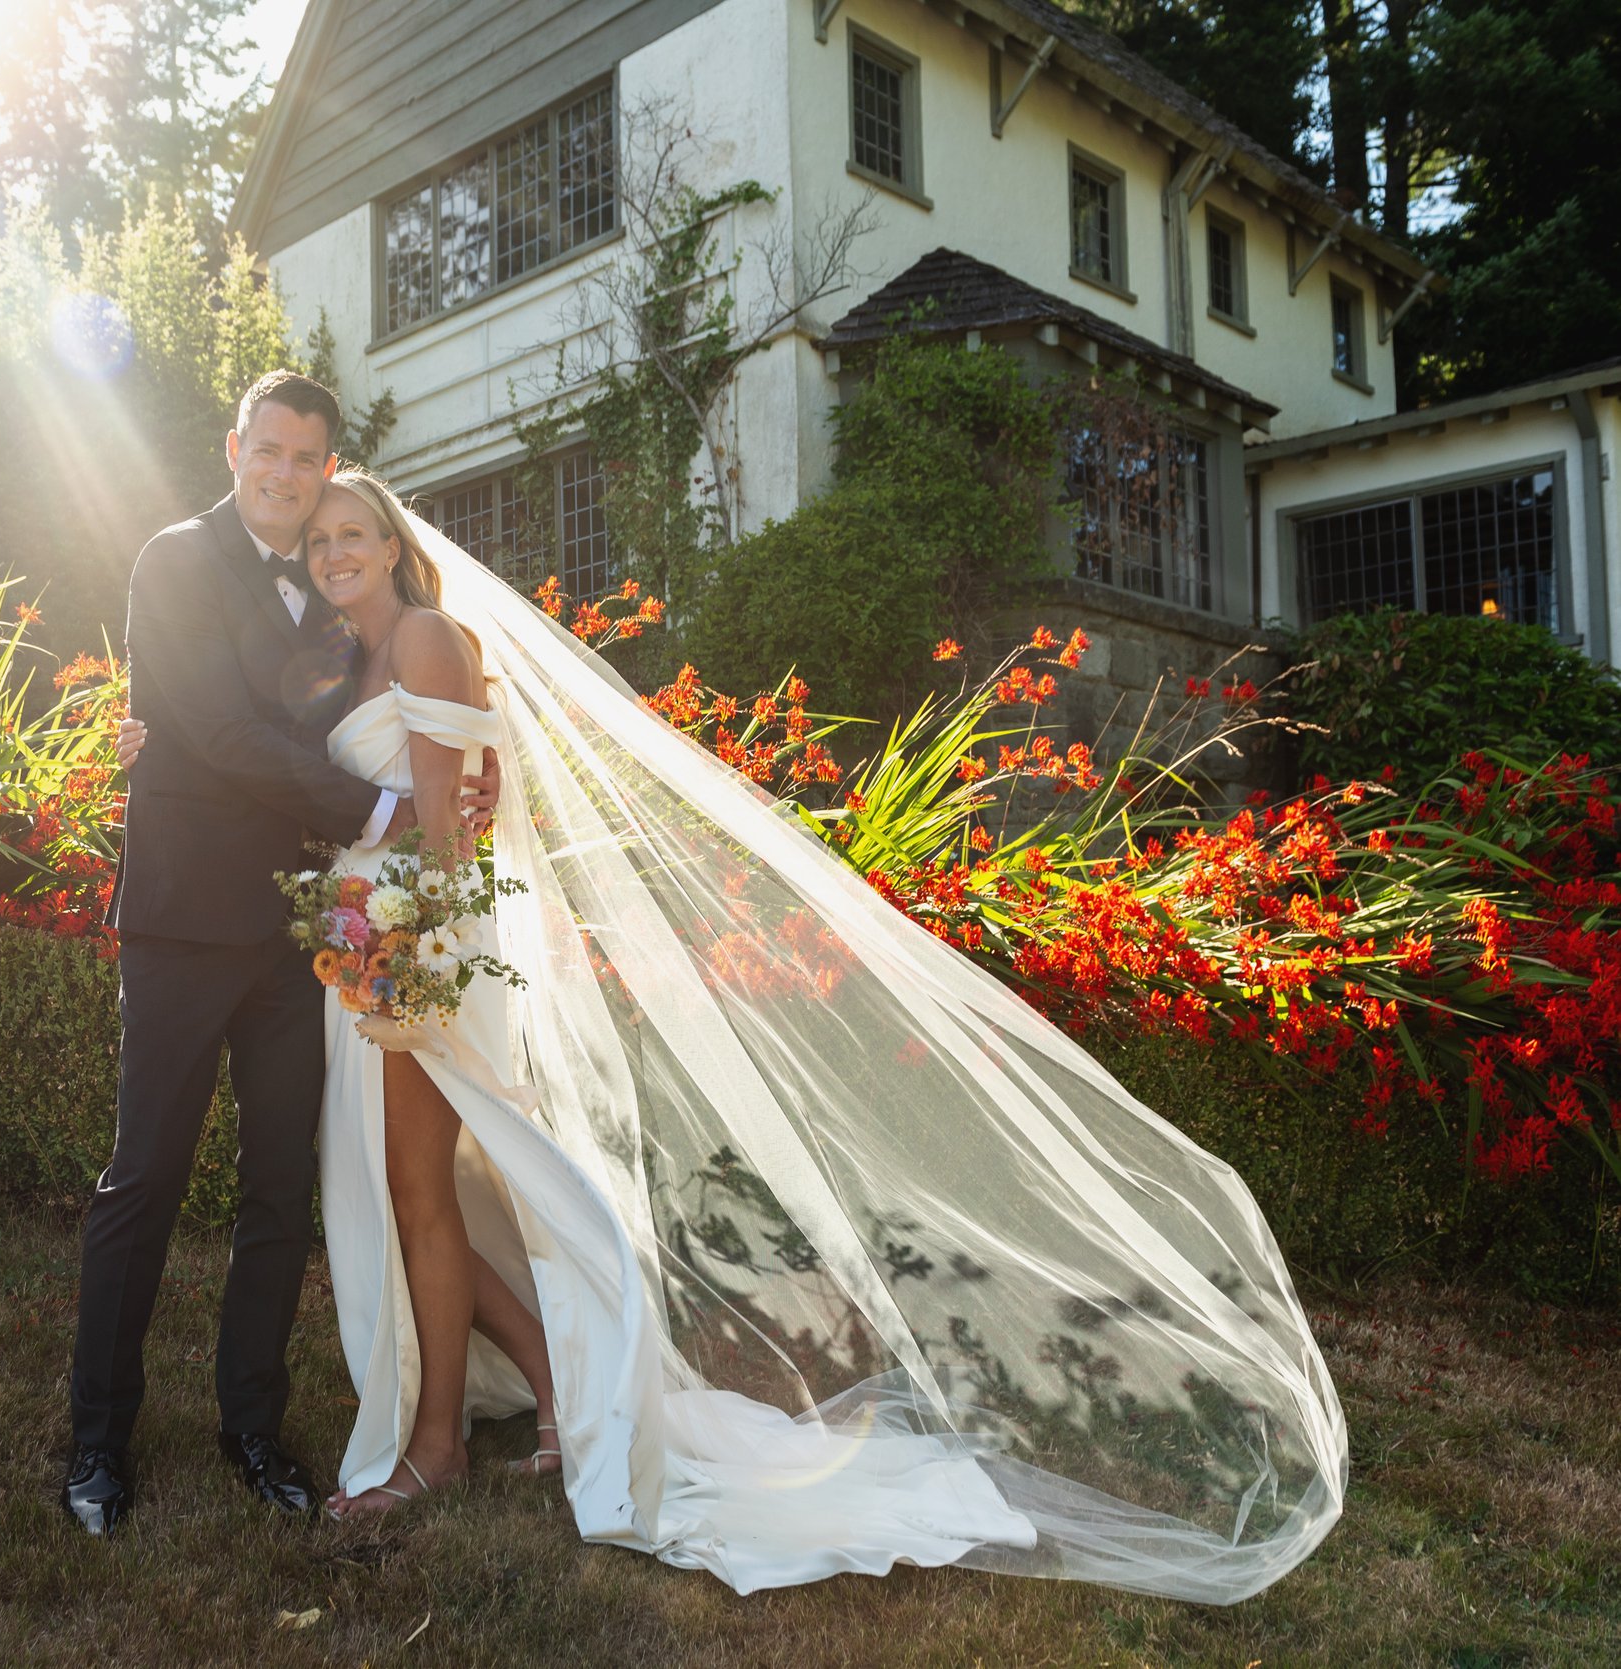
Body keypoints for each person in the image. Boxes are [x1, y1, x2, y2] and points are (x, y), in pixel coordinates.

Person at [110, 466, 1350, 1603]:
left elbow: (451, 829)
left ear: (394, 542)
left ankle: (434, 1449)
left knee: (420, 1196)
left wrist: (411, 960)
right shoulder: (351, 652)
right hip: (376, 947)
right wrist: (163, 744)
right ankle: (552, 1384)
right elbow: (297, 772)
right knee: (413, 1197)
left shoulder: (425, 636)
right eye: (319, 536)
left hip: (417, 954)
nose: (332, 550)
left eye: (351, 531)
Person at [62, 372, 497, 1536]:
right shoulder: (172, 560)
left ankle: (251, 1428)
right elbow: (208, 725)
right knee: (144, 1177)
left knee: (273, 1191)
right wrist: (371, 811)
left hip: (297, 936)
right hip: (180, 917)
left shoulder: (330, 593)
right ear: (235, 448)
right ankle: (97, 1442)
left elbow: (394, 711)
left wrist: (445, 776)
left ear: (325, 466)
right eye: (271, 451)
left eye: (309, 458)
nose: (288, 475)